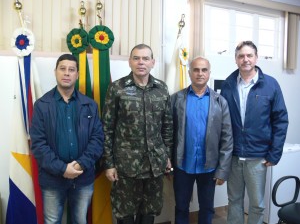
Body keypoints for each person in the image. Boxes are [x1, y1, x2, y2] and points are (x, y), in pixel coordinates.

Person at [102, 44, 173, 224]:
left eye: (145, 58)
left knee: (149, 213)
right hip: (126, 166)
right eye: (136, 58)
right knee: (125, 214)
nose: (141, 62)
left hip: (154, 165)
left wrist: (167, 156)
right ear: (130, 62)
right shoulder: (117, 88)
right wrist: (109, 163)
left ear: (152, 62)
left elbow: (167, 127)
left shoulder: (161, 89)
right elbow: (107, 128)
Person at [30, 54, 104, 224]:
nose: (67, 73)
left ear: (77, 74)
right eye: (62, 69)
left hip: (83, 177)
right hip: (52, 179)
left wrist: (80, 164)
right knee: (52, 220)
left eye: (71, 70)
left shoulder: (89, 105)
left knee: (79, 220)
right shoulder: (42, 105)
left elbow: (97, 139)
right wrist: (62, 168)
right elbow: (38, 144)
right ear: (55, 72)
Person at [221, 41, 289, 224]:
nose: (245, 59)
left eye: (249, 55)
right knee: (234, 201)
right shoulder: (228, 85)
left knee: (257, 204)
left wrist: (274, 153)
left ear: (256, 58)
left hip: (258, 157)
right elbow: (222, 122)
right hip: (234, 157)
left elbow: (281, 121)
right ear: (236, 60)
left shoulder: (270, 85)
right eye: (241, 56)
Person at [171, 56, 233, 224]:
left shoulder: (220, 102)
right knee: (181, 207)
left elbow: (227, 138)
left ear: (209, 73)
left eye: (204, 70)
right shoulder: (176, 99)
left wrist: (223, 170)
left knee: (207, 208)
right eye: (196, 70)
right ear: (189, 72)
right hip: (183, 165)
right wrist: (168, 162)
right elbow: (168, 133)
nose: (200, 73)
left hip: (209, 167)